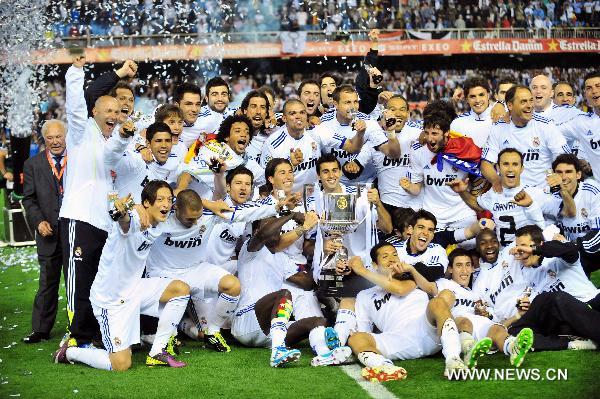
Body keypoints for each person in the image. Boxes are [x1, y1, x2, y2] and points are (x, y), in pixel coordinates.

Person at [54, 180, 190, 370]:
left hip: (134, 289)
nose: (166, 204)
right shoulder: (134, 219)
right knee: (121, 364)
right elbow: (123, 219)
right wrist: (123, 210)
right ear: (147, 204)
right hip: (110, 299)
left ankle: (157, 351)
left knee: (180, 290)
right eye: (160, 199)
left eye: (169, 199)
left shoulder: (159, 223)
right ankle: (71, 351)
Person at [60, 55, 138, 347]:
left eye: (118, 112)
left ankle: (96, 334)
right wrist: (76, 72)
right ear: (94, 112)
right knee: (79, 283)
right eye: (108, 110)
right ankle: (77, 338)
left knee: (99, 282)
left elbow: (118, 156)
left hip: (107, 223)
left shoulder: (116, 139)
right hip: (79, 218)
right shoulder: (81, 132)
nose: (114, 115)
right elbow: (75, 104)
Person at [345, 242, 467, 381]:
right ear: (375, 265)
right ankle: (384, 367)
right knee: (357, 337)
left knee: (437, 302)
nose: (392, 259)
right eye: (385, 256)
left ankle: (453, 360)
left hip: (426, 330)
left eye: (395, 255)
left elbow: (399, 290)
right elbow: (364, 330)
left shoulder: (410, 276)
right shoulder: (364, 295)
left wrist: (362, 270)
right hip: (397, 340)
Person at [448, 148, 553, 247]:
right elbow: (477, 206)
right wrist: (462, 192)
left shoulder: (536, 193)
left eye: (515, 164)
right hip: (504, 257)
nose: (510, 169)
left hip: (528, 252)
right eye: (505, 164)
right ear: (498, 168)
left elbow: (563, 212)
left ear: (521, 169)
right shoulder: (493, 194)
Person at [22, 120, 67, 344]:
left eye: (59, 136)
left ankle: (81, 327)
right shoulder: (32, 164)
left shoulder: (78, 161)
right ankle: (40, 330)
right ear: (44, 139)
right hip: (47, 232)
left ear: (66, 136)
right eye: (50, 138)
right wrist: (38, 221)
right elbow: (28, 199)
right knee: (47, 282)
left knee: (76, 282)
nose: (55, 141)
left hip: (74, 230)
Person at [401, 101, 477, 230]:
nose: (430, 139)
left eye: (434, 134)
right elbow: (417, 187)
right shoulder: (418, 151)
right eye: (427, 133)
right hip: (433, 214)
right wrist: (409, 187)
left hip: (462, 213)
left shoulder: (463, 149)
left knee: (472, 244)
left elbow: (480, 170)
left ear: (446, 132)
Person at [481, 85, 570, 190]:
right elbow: (486, 163)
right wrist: (496, 181)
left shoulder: (546, 125)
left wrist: (558, 175)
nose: (529, 105)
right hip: (511, 195)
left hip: (543, 194)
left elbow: (567, 159)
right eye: (523, 102)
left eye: (531, 101)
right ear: (510, 105)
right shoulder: (498, 127)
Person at [178, 115, 264, 198]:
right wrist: (180, 190)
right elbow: (188, 173)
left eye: (247, 132)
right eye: (237, 131)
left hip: (226, 208)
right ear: (227, 137)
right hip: (196, 202)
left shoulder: (248, 162)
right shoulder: (212, 150)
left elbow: (266, 181)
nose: (243, 135)